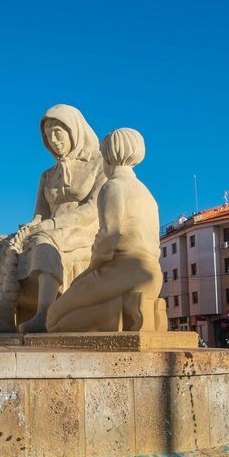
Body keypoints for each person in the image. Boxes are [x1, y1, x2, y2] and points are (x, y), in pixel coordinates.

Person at [0, 104, 105, 333]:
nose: (53, 139)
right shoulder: (47, 175)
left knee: (44, 244)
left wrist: (50, 225)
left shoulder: (100, 166)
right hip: (47, 226)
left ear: (74, 131)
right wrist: (29, 228)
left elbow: (93, 209)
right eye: (48, 134)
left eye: (57, 132)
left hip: (82, 230)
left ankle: (45, 314)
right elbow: (39, 214)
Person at [46, 127, 163, 332]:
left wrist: (91, 269)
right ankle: (140, 309)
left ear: (107, 157)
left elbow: (109, 236)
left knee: (53, 319)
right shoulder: (148, 194)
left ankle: (125, 310)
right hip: (152, 275)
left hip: (123, 272)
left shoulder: (113, 187)